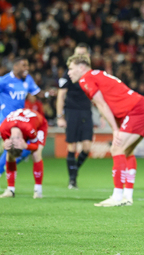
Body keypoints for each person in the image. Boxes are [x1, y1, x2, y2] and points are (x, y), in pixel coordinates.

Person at [67, 54, 144, 207]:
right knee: (127, 152)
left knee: (116, 148)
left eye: (71, 68)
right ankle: (127, 197)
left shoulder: (85, 78)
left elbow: (101, 104)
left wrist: (115, 129)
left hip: (136, 110)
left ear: (81, 67)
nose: (69, 72)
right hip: (143, 107)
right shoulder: (98, 74)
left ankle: (117, 196)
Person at [0, 56, 40, 191]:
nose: (26, 69)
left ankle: (4, 168)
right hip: (7, 121)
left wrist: (49, 94)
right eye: (24, 65)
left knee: (27, 149)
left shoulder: (27, 79)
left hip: (21, 121)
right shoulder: (3, 80)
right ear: (15, 66)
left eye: (27, 65)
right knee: (12, 147)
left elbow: (37, 93)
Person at [56, 43, 93, 189]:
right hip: (71, 111)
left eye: (82, 55)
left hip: (86, 111)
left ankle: (74, 169)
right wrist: (60, 116)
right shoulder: (68, 73)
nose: (79, 57)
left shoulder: (91, 74)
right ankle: (72, 179)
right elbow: (61, 95)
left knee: (87, 147)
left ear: (87, 57)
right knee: (72, 146)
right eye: (77, 54)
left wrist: (102, 115)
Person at [0, 108, 47, 198]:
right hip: (21, 123)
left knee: (36, 154)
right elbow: (5, 144)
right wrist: (4, 145)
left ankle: (38, 191)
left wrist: (26, 146)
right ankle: (10, 190)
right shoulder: (2, 129)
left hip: (40, 125)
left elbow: (35, 146)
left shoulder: (30, 129)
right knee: (10, 155)